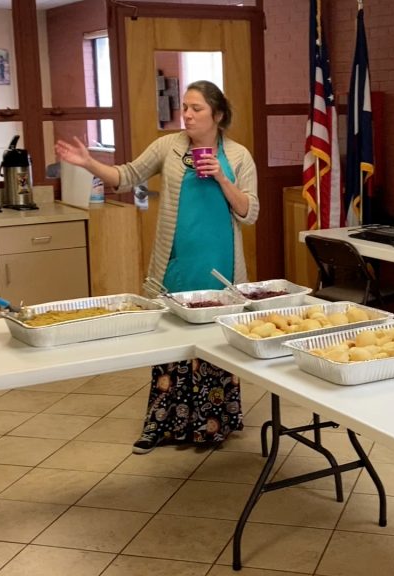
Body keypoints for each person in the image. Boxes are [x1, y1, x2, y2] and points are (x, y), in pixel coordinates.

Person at [54, 80, 258, 454]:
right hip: (176, 265)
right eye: (185, 106)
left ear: (219, 115)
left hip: (222, 268)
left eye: (196, 108)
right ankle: (161, 426)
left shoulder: (239, 155)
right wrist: (89, 164)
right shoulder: (169, 146)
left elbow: (249, 213)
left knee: (216, 348)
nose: (188, 114)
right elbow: (127, 175)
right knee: (169, 347)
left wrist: (221, 177)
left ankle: (211, 427)